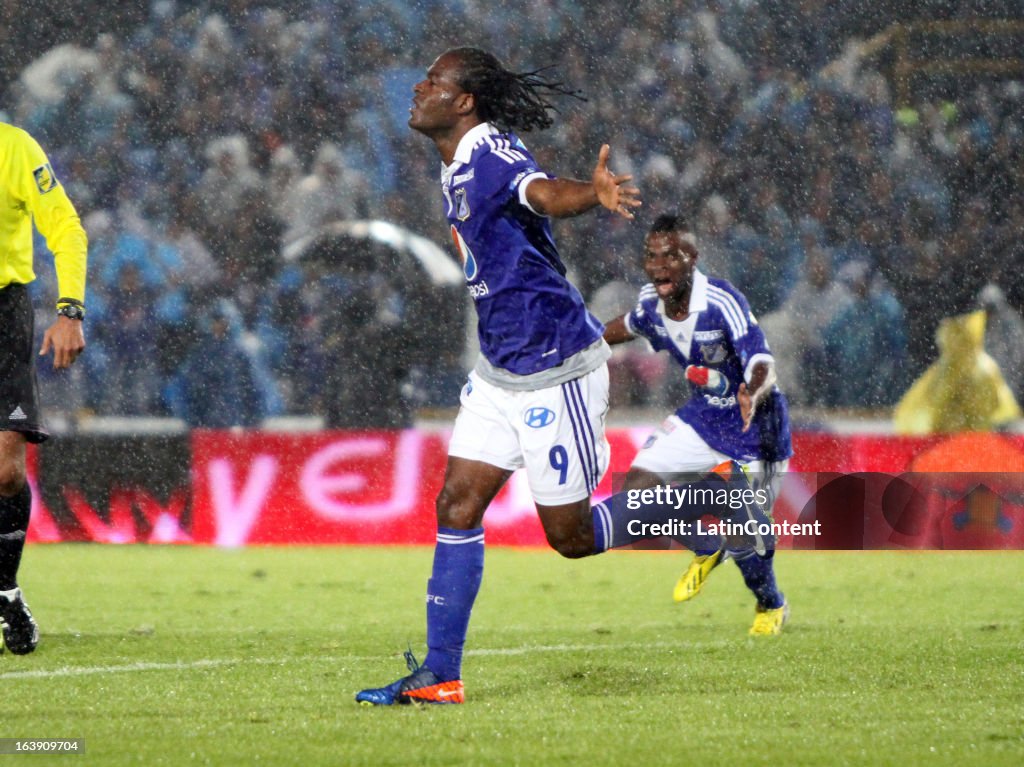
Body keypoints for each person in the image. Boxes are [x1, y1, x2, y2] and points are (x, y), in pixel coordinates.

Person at [356, 48, 767, 706]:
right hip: (500, 370)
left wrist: (591, 195)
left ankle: (699, 506)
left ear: (464, 102)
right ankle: (441, 673)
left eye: (433, 81)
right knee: (456, 504)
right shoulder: (458, 161)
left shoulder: (490, 151)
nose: (418, 87)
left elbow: (541, 192)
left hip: (556, 371)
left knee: (571, 537)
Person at [603, 214, 793, 636]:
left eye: (671, 256)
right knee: (635, 492)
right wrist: (579, 345)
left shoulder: (722, 301)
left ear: (693, 258)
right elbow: (626, 326)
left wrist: (751, 390)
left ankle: (771, 604)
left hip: (754, 426)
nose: (659, 266)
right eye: (652, 257)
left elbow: (761, 360)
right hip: (705, 416)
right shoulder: (652, 304)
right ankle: (705, 546)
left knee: (750, 537)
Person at [0, 121, 88, 654]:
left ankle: (5, 589)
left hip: (3, 310)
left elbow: (65, 227)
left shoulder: (15, 147)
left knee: (6, 472)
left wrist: (70, 309)